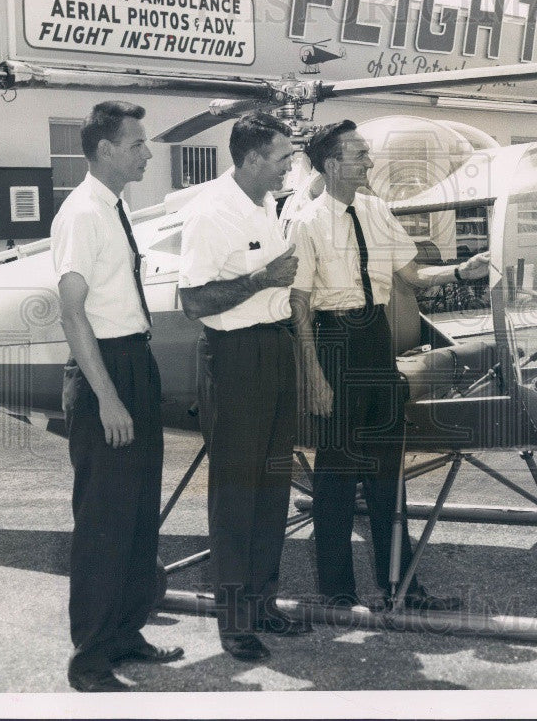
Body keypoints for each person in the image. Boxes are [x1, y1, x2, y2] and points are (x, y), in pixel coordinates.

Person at [289, 120, 489, 610]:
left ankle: (401, 584)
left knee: (387, 473)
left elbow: (413, 274)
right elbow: (298, 306)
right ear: (332, 164)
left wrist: (463, 270)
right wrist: (314, 376)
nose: (369, 162)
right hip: (333, 338)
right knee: (335, 476)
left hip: (376, 339)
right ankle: (337, 594)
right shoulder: (306, 221)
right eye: (359, 155)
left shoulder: (377, 210)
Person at [51, 101, 183, 692]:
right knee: (104, 521)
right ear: (105, 148)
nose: (146, 153)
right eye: (136, 144)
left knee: (136, 516)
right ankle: (90, 659)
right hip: (107, 369)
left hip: (135, 362)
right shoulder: (81, 213)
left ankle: (126, 633)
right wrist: (106, 398)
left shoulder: (115, 208)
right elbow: (73, 315)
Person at [178, 112, 310, 663]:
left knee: (273, 485)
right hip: (235, 359)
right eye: (282, 158)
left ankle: (263, 604)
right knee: (236, 495)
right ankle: (234, 624)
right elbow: (193, 302)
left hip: (274, 351)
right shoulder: (211, 213)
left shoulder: (264, 203)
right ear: (253, 159)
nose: (289, 167)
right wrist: (261, 279)